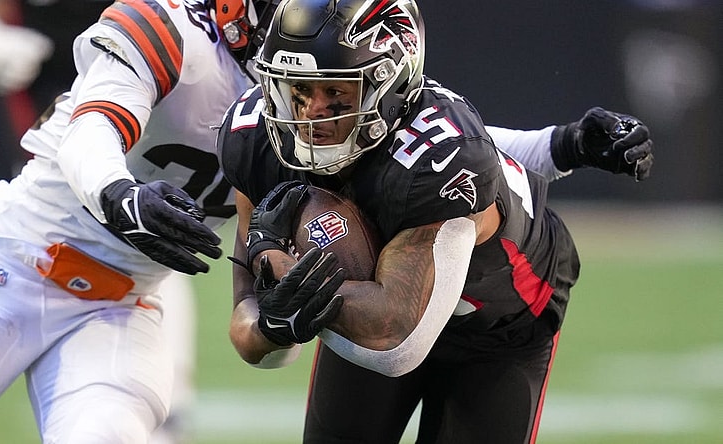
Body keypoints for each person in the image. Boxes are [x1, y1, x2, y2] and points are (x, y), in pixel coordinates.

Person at [217, 0, 654, 443]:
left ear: (388, 88)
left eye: (336, 93)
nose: (311, 115)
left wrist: (293, 289)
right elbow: (253, 336)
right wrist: (273, 322)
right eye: (299, 91)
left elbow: (398, 341)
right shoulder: (257, 140)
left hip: (496, 324)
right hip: (365, 303)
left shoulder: (441, 161)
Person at [0, 0, 278, 442]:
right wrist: (121, 195)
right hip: (14, 260)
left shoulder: (317, 101)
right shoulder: (175, 31)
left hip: (120, 303)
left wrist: (283, 322)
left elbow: (261, 327)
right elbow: (89, 136)